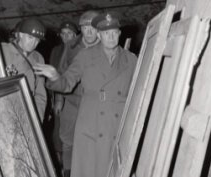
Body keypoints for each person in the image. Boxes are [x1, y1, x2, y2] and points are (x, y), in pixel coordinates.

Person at [34, 11, 137, 177]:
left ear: (119, 34)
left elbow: (139, 92)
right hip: (91, 122)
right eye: (105, 33)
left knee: (114, 169)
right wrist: (55, 76)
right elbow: (66, 84)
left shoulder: (131, 60)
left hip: (117, 124)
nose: (110, 37)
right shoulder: (85, 56)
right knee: (89, 169)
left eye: (114, 33)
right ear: (99, 34)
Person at [50, 11, 100, 177]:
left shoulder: (107, 45)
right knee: (67, 140)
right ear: (81, 29)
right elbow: (61, 72)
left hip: (94, 103)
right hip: (71, 101)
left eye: (93, 27)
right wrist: (58, 99)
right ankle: (68, 172)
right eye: (86, 27)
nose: (90, 31)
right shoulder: (71, 46)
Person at [1, 18, 47, 122]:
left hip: (27, 111)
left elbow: (40, 93)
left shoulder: (38, 58)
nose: (33, 43)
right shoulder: (3, 50)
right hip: (4, 108)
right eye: (30, 37)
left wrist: (37, 119)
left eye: (37, 40)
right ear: (20, 34)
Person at [48, 20, 78, 176]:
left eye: (70, 34)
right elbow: (54, 76)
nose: (66, 37)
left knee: (71, 136)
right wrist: (55, 100)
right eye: (63, 34)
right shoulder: (56, 51)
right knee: (58, 133)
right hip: (59, 96)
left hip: (73, 98)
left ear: (75, 35)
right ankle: (62, 167)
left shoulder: (78, 50)